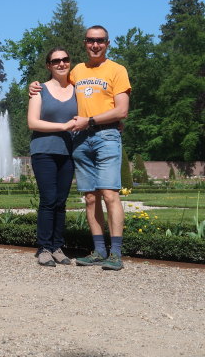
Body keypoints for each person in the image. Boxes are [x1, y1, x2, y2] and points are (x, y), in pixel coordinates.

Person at [30, 25, 131, 270]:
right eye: (90, 40)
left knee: (110, 194)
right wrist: (34, 85)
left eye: (100, 40)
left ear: (107, 43)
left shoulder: (117, 70)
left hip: (104, 136)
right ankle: (97, 251)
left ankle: (115, 253)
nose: (95, 45)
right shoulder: (78, 71)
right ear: (85, 43)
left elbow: (122, 110)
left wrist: (99, 121)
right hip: (80, 141)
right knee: (89, 198)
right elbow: (59, 85)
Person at [27, 48, 77, 267]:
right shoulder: (39, 90)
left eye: (65, 59)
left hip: (69, 152)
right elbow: (33, 122)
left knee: (61, 201)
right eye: (56, 61)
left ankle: (57, 246)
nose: (61, 63)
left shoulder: (78, 89)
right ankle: (44, 248)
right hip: (44, 151)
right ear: (48, 65)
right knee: (48, 200)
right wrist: (63, 126)